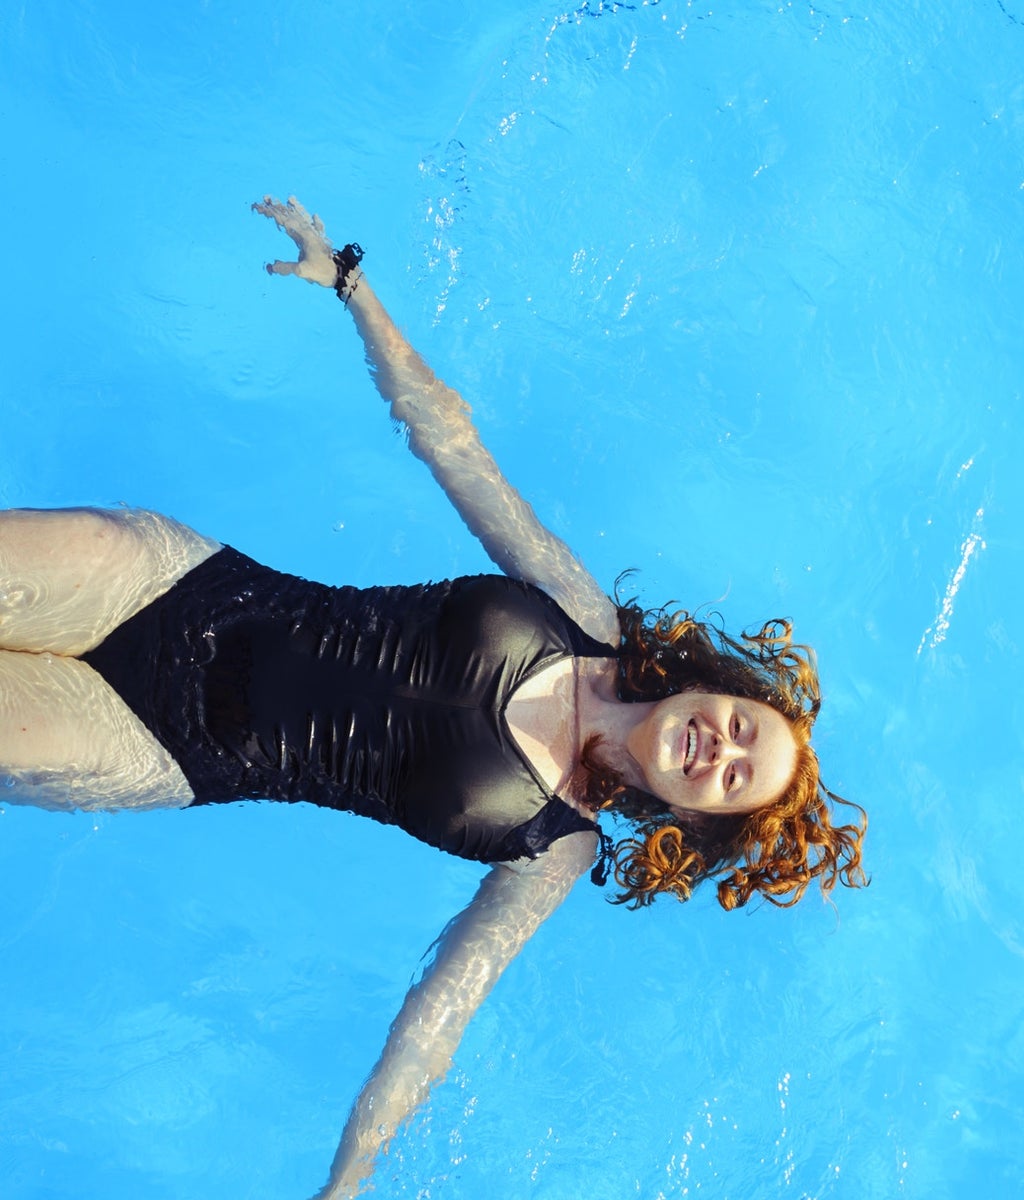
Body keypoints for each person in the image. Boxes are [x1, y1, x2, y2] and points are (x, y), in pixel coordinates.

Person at [0, 196, 867, 1199]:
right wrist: (354, 289)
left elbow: (438, 1017)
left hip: (161, 745)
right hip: (183, 586)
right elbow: (453, 445)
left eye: (731, 777)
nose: (719, 747)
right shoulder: (579, 611)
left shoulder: (554, 847)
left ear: (693, 819)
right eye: (742, 728)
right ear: (723, 692)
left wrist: (351, 1172)